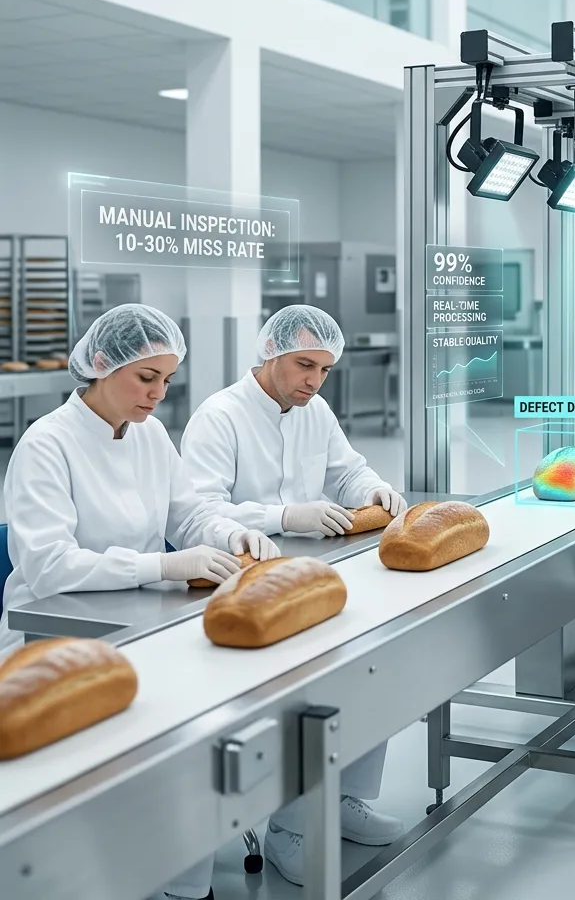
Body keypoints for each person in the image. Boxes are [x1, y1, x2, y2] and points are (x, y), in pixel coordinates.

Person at [0, 304, 279, 900]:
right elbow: (48, 566)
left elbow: (187, 511)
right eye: (146, 378)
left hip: (144, 619)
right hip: (56, 636)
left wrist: (227, 531)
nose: (159, 394)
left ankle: (183, 878)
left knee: (185, 738)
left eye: (167, 380)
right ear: (101, 365)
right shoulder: (46, 445)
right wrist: (162, 564)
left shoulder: (150, 434)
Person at [181, 304, 407, 886]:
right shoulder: (220, 417)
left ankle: (347, 802)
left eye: (325, 370)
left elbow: (347, 470)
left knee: (367, 668)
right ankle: (289, 830)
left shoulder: (316, 410)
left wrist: (375, 488)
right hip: (247, 585)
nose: (314, 380)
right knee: (298, 700)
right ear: (270, 354)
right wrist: (284, 514)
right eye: (305, 365)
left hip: (311, 580)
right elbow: (197, 510)